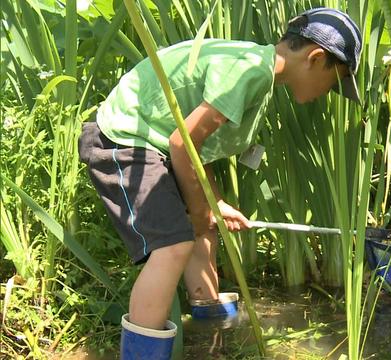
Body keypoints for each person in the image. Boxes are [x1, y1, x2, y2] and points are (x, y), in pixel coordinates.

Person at [78, 7, 362, 359]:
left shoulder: (259, 74)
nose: (327, 92)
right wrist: (198, 209)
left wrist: (213, 203)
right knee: (173, 246)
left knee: (205, 225)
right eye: (334, 81)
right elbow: (181, 144)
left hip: (156, 143)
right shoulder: (249, 72)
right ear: (316, 58)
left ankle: (209, 325)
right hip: (125, 140)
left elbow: (196, 150)